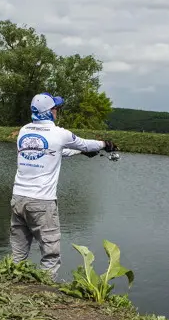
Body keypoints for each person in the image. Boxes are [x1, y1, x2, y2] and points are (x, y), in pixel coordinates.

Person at [10, 92, 118, 280]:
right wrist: (104, 144)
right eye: (56, 108)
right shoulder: (60, 133)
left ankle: (11, 281)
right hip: (42, 203)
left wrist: (79, 153)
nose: (57, 112)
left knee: (18, 251)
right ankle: (45, 292)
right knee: (50, 253)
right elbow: (84, 144)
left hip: (18, 199)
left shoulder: (24, 131)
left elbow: (53, 151)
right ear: (49, 112)